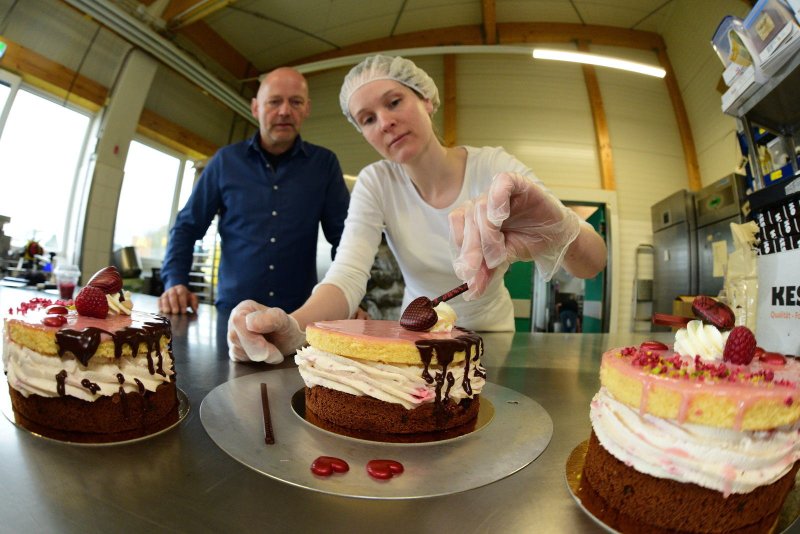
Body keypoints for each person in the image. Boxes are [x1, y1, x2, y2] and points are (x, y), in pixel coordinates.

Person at [227, 55, 606, 363]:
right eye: (368, 119)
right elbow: (347, 276)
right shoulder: (376, 183)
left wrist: (562, 229)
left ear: (426, 99)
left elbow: (592, 263)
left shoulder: (492, 167)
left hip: (490, 338)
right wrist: (294, 327)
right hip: (413, 338)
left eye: (394, 102)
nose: (386, 122)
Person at [158, 67, 351, 316]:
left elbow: (345, 240)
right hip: (233, 315)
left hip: (300, 317)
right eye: (274, 102)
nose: (284, 111)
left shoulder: (324, 165)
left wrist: (349, 296)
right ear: (255, 108)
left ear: (307, 109)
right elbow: (187, 226)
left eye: (295, 102)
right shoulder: (225, 162)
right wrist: (175, 281)